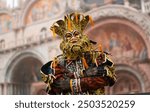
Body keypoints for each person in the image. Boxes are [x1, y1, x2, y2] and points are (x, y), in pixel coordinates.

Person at [40, 13, 116, 95]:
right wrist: (85, 73)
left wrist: (70, 83)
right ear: (64, 41)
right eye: (69, 36)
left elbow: (102, 79)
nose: (73, 38)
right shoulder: (58, 63)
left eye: (76, 34)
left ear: (82, 37)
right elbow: (58, 85)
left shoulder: (97, 57)